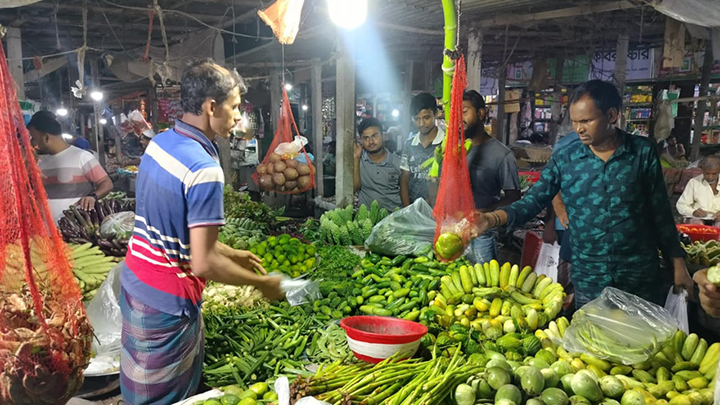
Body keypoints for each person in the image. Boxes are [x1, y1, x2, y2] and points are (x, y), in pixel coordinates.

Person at [119, 59, 283, 405]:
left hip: (135, 282)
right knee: (166, 397)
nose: (238, 117)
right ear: (211, 107)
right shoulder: (205, 169)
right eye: (235, 107)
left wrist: (230, 252)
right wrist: (261, 284)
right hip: (166, 302)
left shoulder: (161, 143)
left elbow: (171, 226)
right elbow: (203, 264)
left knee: (140, 388)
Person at [472, 80, 693, 307]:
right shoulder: (566, 158)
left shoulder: (641, 151)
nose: (579, 129)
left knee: (645, 339)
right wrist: (493, 217)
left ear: (612, 116)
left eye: (587, 121)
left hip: (638, 273)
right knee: (591, 338)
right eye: (576, 122)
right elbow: (534, 199)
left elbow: (660, 211)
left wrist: (677, 262)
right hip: (590, 274)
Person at [462, 90, 521, 262]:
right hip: (454, 230)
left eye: (464, 112)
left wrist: (482, 212)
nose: (459, 119)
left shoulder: (502, 155)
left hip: (482, 235)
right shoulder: (454, 150)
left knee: (482, 285)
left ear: (480, 113)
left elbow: (514, 196)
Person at [27, 110, 113, 223]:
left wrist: (93, 196)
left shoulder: (82, 156)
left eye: (33, 138)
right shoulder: (39, 161)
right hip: (44, 231)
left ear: (46, 138)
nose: (31, 142)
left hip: (74, 229)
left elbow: (106, 183)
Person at [353, 118, 408, 211]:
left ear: (383, 136)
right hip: (366, 220)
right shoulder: (359, 160)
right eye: (366, 138)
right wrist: (356, 158)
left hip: (393, 218)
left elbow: (406, 191)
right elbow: (354, 187)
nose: (371, 142)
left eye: (374, 136)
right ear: (361, 141)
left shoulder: (398, 163)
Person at [400, 93, 445, 204]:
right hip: (413, 208)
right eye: (416, 119)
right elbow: (404, 180)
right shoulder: (409, 144)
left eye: (426, 118)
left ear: (435, 114)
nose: (421, 124)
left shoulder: (446, 143)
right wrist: (408, 210)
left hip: (440, 209)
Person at [676, 155, 720, 225]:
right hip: (698, 219)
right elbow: (681, 205)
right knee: (696, 225)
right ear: (702, 170)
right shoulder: (694, 182)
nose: (710, 177)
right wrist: (693, 212)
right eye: (707, 173)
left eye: (714, 174)